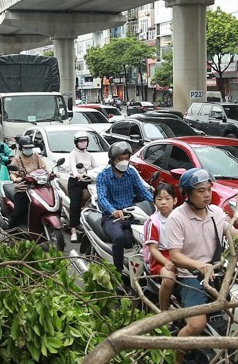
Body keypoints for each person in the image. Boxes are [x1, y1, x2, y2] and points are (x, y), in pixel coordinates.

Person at [164, 168, 232, 364]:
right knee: (196, 325)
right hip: (190, 277)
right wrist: (197, 266)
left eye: (209, 189)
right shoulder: (177, 217)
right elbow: (174, 255)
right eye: (200, 191)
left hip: (217, 273)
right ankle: (176, 361)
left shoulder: (217, 213)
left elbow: (234, 235)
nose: (206, 195)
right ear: (187, 194)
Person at [95, 141, 154, 277]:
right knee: (119, 237)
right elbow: (102, 198)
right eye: (120, 159)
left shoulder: (131, 172)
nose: (124, 162)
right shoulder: (103, 176)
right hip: (111, 218)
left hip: (132, 214)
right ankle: (118, 272)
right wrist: (113, 210)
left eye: (126, 158)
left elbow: (143, 191)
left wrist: (157, 202)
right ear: (112, 160)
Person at [143, 184, 179, 310]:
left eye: (167, 198)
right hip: (161, 258)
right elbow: (153, 249)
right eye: (159, 199)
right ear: (154, 201)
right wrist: (166, 262)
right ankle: (163, 311)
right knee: (169, 278)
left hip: (179, 254)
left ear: (175, 200)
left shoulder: (180, 217)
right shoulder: (154, 222)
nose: (163, 202)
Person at [7, 132, 48, 230]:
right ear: (21, 148)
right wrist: (16, 179)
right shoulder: (17, 159)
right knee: (18, 211)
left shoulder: (36, 156)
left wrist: (50, 174)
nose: (29, 150)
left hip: (37, 187)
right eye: (26, 148)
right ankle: (9, 230)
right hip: (23, 188)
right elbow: (12, 173)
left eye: (30, 147)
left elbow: (44, 168)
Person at [66, 130, 102, 243]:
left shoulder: (89, 155)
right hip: (75, 181)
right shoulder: (73, 154)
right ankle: (73, 230)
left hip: (88, 181)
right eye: (81, 141)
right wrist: (78, 174)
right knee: (75, 204)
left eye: (85, 141)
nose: (83, 143)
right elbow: (73, 167)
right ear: (76, 142)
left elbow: (96, 168)